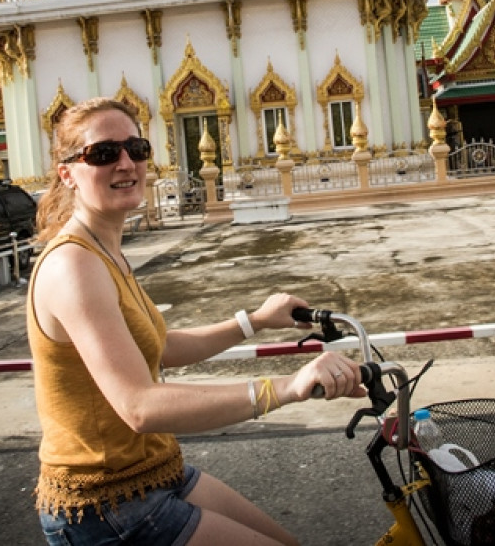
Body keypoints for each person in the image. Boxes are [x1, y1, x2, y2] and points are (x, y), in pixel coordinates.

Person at [28, 97, 365, 545]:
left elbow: (161, 346)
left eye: (136, 148)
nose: (126, 163)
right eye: (104, 153)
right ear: (67, 171)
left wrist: (257, 321)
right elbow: (139, 406)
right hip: (105, 505)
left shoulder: (105, 250)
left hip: (153, 472)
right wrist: (286, 387)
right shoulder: (74, 265)